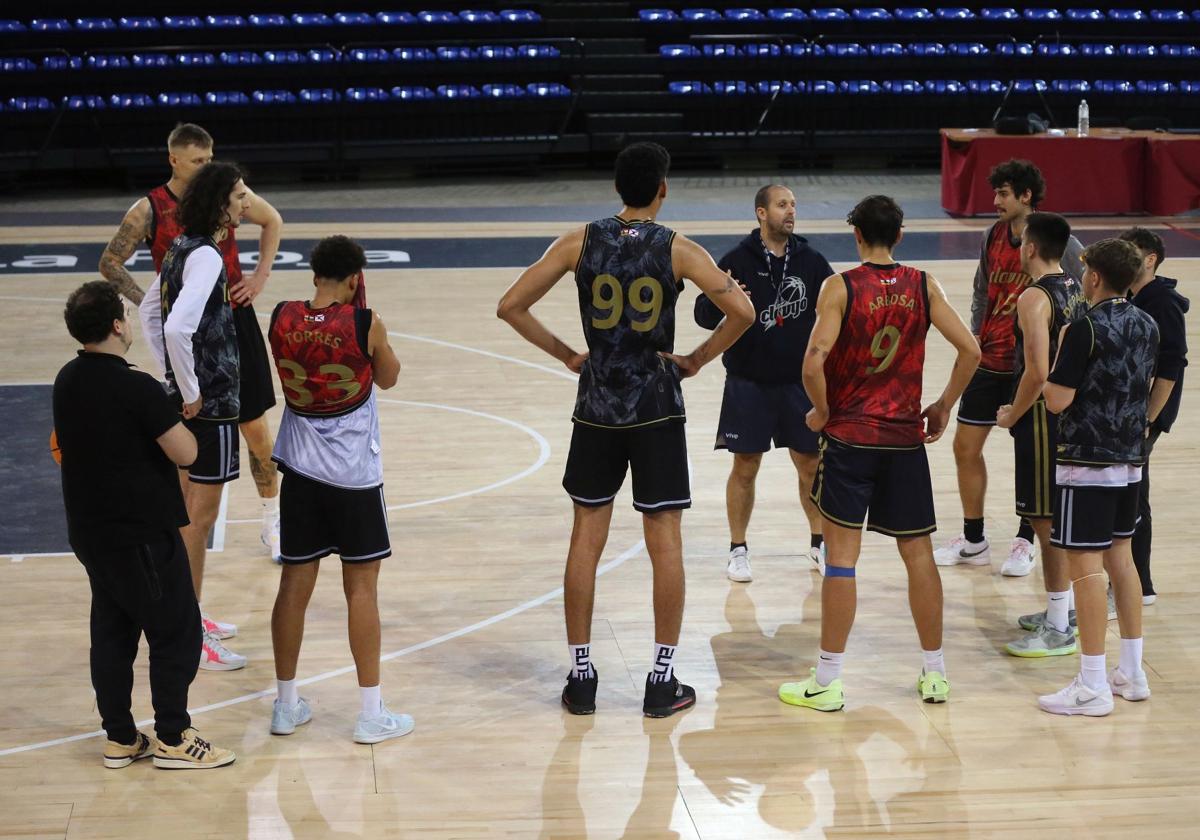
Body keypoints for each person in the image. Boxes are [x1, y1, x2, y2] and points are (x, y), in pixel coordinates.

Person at [497, 142, 754, 717]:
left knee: (586, 537)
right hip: (657, 406)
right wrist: (697, 359)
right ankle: (661, 682)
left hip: (597, 404)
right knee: (664, 540)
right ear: (662, 188)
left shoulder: (578, 242)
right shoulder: (680, 249)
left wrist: (568, 354)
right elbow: (744, 312)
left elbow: (510, 305)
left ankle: (582, 676)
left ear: (618, 189)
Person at [778, 195, 981, 712]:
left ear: (856, 236)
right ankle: (935, 673)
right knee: (918, 557)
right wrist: (942, 406)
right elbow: (972, 351)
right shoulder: (923, 284)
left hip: (850, 440)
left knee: (842, 562)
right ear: (901, 235)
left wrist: (822, 412)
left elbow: (812, 361)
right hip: (903, 440)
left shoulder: (840, 286)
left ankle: (827, 681)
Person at [53, 280, 235, 769]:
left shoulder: (67, 379)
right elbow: (187, 453)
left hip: (91, 533)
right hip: (140, 535)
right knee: (177, 630)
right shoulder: (136, 387)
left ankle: (119, 737)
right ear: (117, 324)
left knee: (112, 631)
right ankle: (174, 737)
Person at [99, 123, 285, 566]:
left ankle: (273, 519)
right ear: (174, 160)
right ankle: (186, 544)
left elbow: (273, 219)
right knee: (192, 442)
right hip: (191, 327)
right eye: (197, 161)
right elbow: (109, 261)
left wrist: (259, 278)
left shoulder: (228, 193)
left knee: (257, 430)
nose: (206, 167)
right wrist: (153, 301)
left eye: (209, 159)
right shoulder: (152, 209)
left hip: (233, 317)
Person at [266, 236, 412, 744]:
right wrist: (372, 332)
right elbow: (389, 378)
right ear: (356, 279)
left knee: (293, 587)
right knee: (361, 589)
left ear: (313, 274)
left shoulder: (281, 316)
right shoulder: (364, 323)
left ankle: (285, 705)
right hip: (352, 473)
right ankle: (370, 713)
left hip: (300, 470)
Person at [936, 160, 1083, 575]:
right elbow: (983, 290)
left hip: (1031, 368)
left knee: (1032, 461)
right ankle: (973, 538)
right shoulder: (993, 236)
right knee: (965, 448)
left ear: (1025, 196)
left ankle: (1025, 540)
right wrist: (976, 335)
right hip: (989, 359)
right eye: (995, 192)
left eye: (1003, 193)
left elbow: (1079, 301)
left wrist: (1061, 364)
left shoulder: (1059, 241)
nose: (995, 201)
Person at [138, 161, 250, 672]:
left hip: (189, 398)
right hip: (212, 403)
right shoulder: (205, 255)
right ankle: (191, 630)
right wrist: (193, 391)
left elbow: (148, 313)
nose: (247, 203)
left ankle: (189, 617)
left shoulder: (182, 246)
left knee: (186, 513)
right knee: (198, 521)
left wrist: (171, 374)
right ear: (221, 203)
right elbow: (179, 326)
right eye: (241, 195)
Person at [1039, 239, 1158, 716]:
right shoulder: (1147, 323)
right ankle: (1132, 671)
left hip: (1087, 462)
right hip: (1130, 459)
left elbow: (1057, 399)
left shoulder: (1084, 328)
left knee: (1085, 567)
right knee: (1121, 561)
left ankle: (1092, 684)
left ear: (1092, 277)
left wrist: (1053, 364)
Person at [695, 184, 835, 582]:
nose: (790, 211)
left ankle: (819, 542)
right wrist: (725, 297)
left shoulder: (811, 260)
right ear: (761, 213)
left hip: (798, 385)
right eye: (781, 205)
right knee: (745, 466)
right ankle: (737, 549)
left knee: (810, 465)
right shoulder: (736, 260)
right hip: (749, 383)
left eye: (793, 204)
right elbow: (704, 315)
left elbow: (836, 310)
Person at [996, 213, 1087, 657]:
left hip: (1038, 417)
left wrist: (1013, 413)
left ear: (1030, 247)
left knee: (1044, 520)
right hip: (1066, 413)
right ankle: (1060, 607)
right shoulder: (1073, 285)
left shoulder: (1033, 298)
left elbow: (1036, 370)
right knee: (1049, 516)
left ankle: (1058, 627)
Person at [1119, 227, 1189, 606]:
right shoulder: (1135, 296)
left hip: (1146, 414)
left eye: (1132, 251)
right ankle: (1135, 583)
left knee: (1133, 495)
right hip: (1130, 411)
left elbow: (1172, 366)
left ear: (1150, 260)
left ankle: (1139, 585)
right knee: (1131, 492)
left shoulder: (1161, 303)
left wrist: (1148, 417)